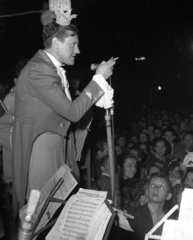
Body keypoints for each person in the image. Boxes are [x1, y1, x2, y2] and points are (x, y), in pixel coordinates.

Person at [11, 8, 116, 214]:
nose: (77, 50)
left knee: (58, 210)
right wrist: (99, 80)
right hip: (42, 150)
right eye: (73, 44)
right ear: (57, 43)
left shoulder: (51, 67)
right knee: (42, 213)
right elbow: (72, 113)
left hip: (58, 147)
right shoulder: (39, 69)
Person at [127, 172, 173, 240]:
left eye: (161, 186)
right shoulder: (133, 214)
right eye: (152, 185)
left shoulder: (170, 220)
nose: (155, 188)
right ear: (147, 192)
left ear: (168, 196)